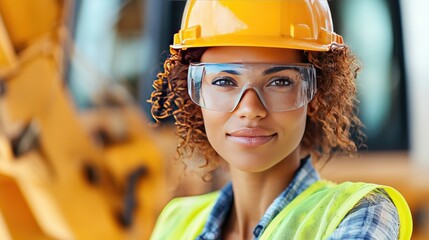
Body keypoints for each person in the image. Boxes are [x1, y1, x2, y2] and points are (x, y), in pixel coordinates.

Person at [149, 0, 413, 239]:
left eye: (280, 82)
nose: (250, 109)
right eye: (224, 81)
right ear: (195, 95)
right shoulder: (176, 222)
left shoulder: (360, 211)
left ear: (315, 95)